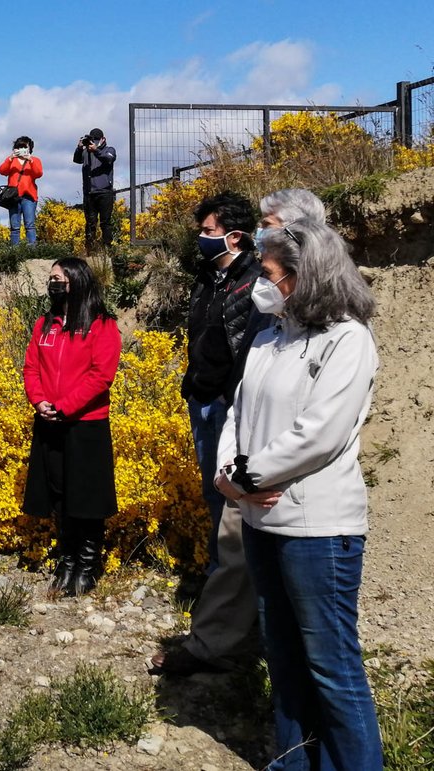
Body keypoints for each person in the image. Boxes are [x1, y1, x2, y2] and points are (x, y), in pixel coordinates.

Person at [216, 219, 382, 769]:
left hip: (317, 529)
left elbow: (320, 432)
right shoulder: (268, 338)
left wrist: (246, 477)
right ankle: (290, 761)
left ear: (303, 275)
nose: (259, 284)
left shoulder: (348, 340)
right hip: (262, 522)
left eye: (267, 273)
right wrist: (229, 474)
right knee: (283, 657)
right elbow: (237, 414)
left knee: (331, 667)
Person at [150, 191, 265, 676]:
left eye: (209, 230)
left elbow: (250, 351)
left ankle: (234, 621)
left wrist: (225, 396)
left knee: (233, 509)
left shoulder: (256, 282)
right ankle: (225, 592)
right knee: (214, 499)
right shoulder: (210, 277)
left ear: (234, 236)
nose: (201, 238)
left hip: (229, 408)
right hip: (202, 402)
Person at [21, 258, 121, 597]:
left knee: (87, 497)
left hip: (85, 424)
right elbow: (31, 368)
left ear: (77, 281)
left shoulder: (101, 324)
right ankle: (67, 559)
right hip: (49, 421)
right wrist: (40, 402)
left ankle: (88, 563)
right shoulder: (45, 324)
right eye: (51, 278)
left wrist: (65, 406)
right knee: (60, 494)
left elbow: (101, 375)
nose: (53, 283)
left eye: (59, 278)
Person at [72, 128, 118, 253]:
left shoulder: (109, 150)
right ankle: (90, 250)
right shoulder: (86, 152)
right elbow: (76, 160)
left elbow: (109, 159)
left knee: (105, 222)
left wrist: (96, 150)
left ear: (103, 139)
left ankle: (108, 249)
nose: (94, 142)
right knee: (90, 223)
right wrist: (79, 148)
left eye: (97, 140)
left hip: (105, 192)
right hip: (89, 193)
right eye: (93, 140)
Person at [0, 136, 44, 245]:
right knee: (15, 226)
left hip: (29, 196)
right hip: (13, 197)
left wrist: (30, 160)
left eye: (24, 146)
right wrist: (10, 158)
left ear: (29, 148)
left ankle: (31, 249)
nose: (22, 149)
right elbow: (2, 171)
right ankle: (15, 251)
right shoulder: (11, 160)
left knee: (30, 225)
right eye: (19, 147)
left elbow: (38, 173)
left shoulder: (35, 160)